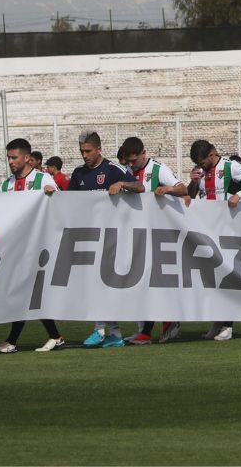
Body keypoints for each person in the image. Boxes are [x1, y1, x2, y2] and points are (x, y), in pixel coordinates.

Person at [67, 130, 144, 349]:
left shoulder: (113, 169)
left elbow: (140, 186)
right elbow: (68, 200)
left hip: (114, 236)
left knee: (104, 285)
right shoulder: (79, 173)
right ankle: (111, 332)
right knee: (94, 286)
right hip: (89, 237)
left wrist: (122, 185)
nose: (84, 155)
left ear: (99, 149)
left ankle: (106, 330)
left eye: (88, 151)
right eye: (82, 151)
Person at [187, 140, 241, 341]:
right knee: (211, 277)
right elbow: (190, 196)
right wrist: (193, 181)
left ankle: (228, 325)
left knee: (227, 276)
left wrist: (240, 195)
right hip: (207, 229)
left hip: (229, 229)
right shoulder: (201, 171)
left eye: (203, 162)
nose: (201, 166)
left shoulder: (231, 166)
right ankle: (217, 322)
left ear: (212, 155)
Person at [0, 138, 63, 354]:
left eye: (14, 157)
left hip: (40, 245)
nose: (11, 161)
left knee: (29, 292)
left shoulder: (43, 178)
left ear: (27, 158)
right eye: (9, 157)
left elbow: (63, 205)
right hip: (16, 247)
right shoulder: (7, 184)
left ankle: (44, 336)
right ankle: (51, 336)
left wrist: (54, 194)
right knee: (23, 293)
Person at [119, 136, 187, 344]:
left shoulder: (158, 169)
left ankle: (153, 329)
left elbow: (183, 188)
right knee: (145, 283)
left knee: (154, 281)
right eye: (128, 161)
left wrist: (167, 189)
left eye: (133, 160)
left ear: (143, 153)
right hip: (139, 232)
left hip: (159, 233)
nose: (130, 164)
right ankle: (153, 328)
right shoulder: (131, 172)